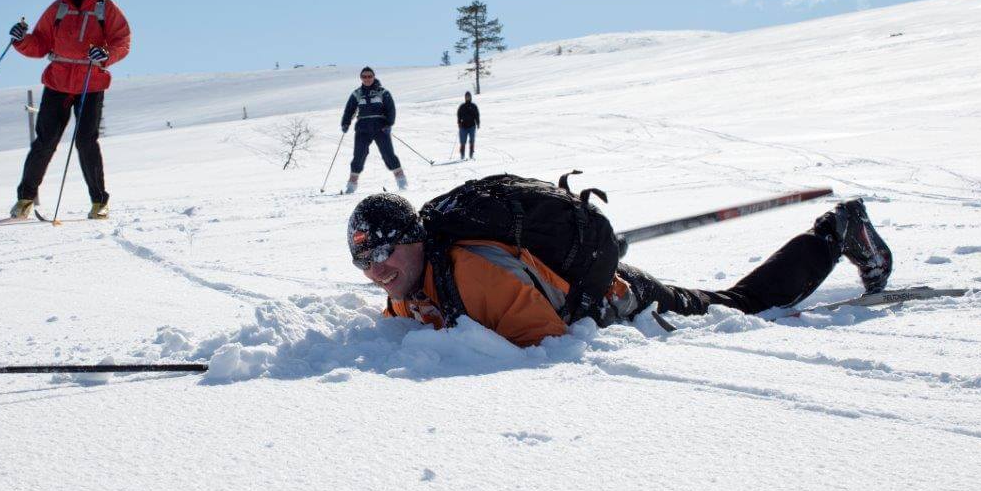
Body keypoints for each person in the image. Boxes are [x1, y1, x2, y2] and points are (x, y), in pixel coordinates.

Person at [347, 190, 892, 348]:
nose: (376, 269)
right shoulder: (412, 282)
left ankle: (835, 233)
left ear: (415, 239)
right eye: (363, 260)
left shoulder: (469, 272)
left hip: (627, 301)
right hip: (604, 292)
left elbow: (548, 338)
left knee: (742, 304)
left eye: (383, 252)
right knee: (730, 297)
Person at [7, 0, 131, 219]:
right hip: (58, 82)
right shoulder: (57, 9)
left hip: (90, 83)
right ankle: (24, 200)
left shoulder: (105, 8)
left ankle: (99, 202)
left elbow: (122, 40)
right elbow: (40, 44)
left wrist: (106, 55)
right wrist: (21, 40)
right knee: (45, 142)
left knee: (86, 141)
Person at [340, 66, 406, 194]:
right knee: (359, 155)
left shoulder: (382, 92)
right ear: (361, 78)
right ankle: (351, 185)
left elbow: (390, 109)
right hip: (362, 127)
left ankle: (401, 181)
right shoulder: (357, 93)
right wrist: (345, 123)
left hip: (380, 127)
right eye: (364, 76)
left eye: (369, 76)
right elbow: (349, 109)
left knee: (388, 154)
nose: (367, 79)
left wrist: (389, 124)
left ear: (373, 77)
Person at [456, 91, 479, 159]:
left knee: (472, 140)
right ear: (465, 98)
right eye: (466, 96)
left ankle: (471, 155)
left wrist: (478, 123)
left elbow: (477, 115)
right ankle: (462, 155)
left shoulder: (473, 106)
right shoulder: (462, 106)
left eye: (469, 96)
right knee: (463, 141)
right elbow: (459, 115)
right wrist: (459, 122)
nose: (467, 98)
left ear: (470, 97)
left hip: (472, 126)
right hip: (463, 127)